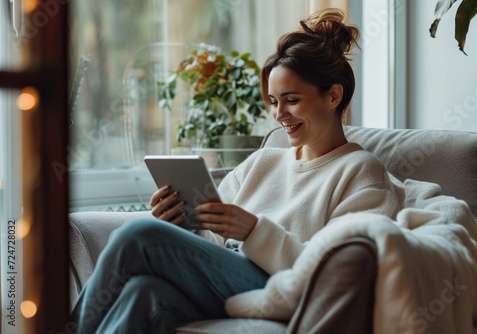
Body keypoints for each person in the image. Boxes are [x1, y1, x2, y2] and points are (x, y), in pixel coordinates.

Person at [71, 8, 402, 333]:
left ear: (333, 95)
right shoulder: (264, 161)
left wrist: (255, 232)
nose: (279, 114)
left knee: (136, 235)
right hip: (228, 279)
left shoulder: (361, 171)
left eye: (291, 100)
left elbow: (340, 275)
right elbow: (212, 244)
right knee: (143, 292)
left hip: (281, 289)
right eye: (273, 102)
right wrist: (179, 223)